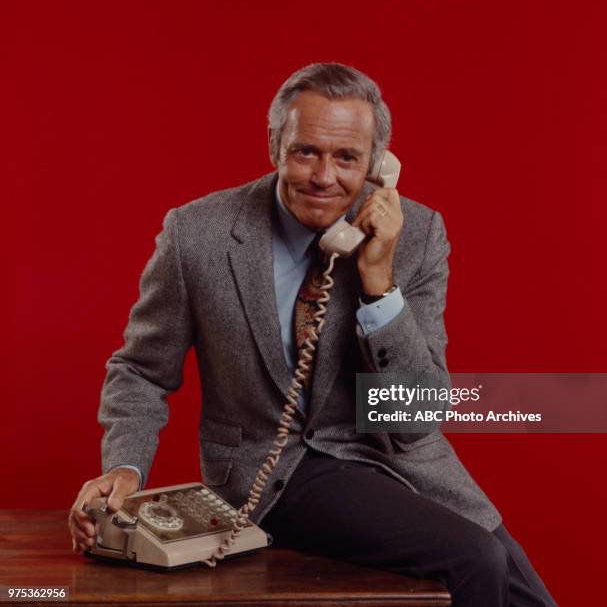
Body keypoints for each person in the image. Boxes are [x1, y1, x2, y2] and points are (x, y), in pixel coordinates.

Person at [69, 63, 556, 606]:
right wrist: (125, 465)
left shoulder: (417, 234)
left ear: (376, 165)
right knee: (474, 557)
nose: (325, 177)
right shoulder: (197, 235)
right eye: (306, 152)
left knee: (529, 597)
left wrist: (378, 279)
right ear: (275, 145)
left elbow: (416, 418)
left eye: (347, 157)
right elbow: (140, 369)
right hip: (276, 472)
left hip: (402, 461)